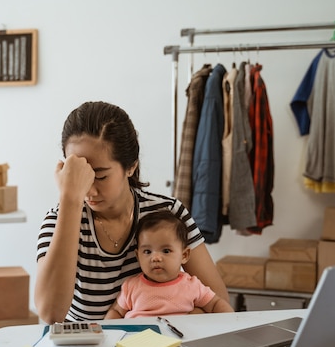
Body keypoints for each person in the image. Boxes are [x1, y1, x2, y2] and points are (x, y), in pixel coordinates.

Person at [35, 101, 230, 324]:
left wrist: (182, 316)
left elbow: (219, 303)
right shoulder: (58, 220)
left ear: (131, 166)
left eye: (100, 175)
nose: (89, 189)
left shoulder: (169, 213)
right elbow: (50, 314)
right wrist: (70, 199)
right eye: (81, 174)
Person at [105, 210, 234, 319]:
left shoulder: (192, 285)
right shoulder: (131, 287)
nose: (155, 258)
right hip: (139, 342)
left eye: (166, 251)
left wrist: (231, 322)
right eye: (147, 251)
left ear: (184, 255)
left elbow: (216, 303)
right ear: (138, 256)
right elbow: (115, 312)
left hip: (179, 342)